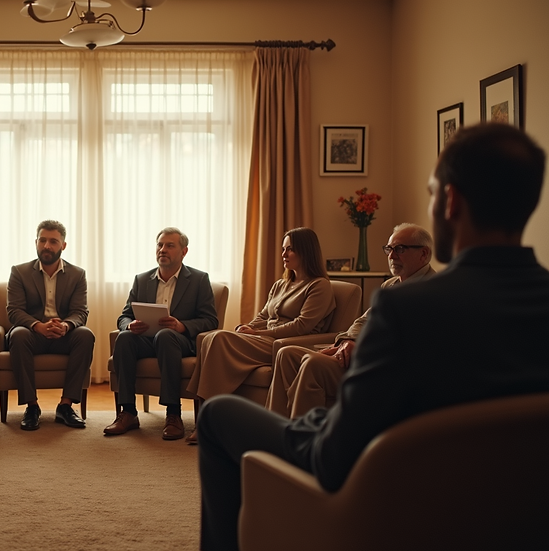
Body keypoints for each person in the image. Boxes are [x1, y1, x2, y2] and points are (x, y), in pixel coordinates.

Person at [197, 122, 549, 550]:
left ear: (451, 200)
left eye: (432, 192)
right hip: (512, 501)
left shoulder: (406, 307)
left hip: (399, 486)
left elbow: (337, 453)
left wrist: (315, 422)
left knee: (217, 415)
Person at [266, 223, 435, 418]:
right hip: (361, 353)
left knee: (313, 364)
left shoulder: (432, 291)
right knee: (287, 354)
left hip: (379, 368)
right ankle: (276, 427)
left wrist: (359, 347)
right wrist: (348, 341)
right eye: (389, 249)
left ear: (423, 254)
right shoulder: (391, 284)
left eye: (400, 249)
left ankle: (301, 441)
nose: (391, 256)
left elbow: (408, 344)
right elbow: (362, 321)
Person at [185, 227, 335, 442]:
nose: (284, 254)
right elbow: (263, 315)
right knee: (210, 337)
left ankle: (210, 423)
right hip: (264, 337)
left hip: (285, 343)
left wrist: (258, 332)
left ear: (306, 251)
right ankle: (207, 417)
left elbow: (302, 325)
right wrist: (246, 327)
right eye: (283, 249)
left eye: (290, 249)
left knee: (218, 338)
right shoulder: (281, 284)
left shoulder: (319, 286)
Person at [105, 227, 218, 440]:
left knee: (165, 336)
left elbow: (211, 320)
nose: (162, 249)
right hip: (147, 340)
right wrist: (129, 325)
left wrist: (182, 326)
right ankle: (128, 412)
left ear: (184, 251)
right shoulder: (142, 279)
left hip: (181, 342)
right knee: (125, 337)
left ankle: (173, 414)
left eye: (169, 245)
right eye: (160, 245)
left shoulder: (198, 280)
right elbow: (124, 316)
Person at [6, 220, 95, 430]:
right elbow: (14, 310)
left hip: (63, 334)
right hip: (32, 334)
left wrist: (65, 326)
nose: (47, 246)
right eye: (43, 240)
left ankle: (65, 406)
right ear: (36, 242)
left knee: (85, 335)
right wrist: (37, 325)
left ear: (63, 245)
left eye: (53, 241)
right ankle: (32, 407)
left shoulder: (77, 274)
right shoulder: (19, 272)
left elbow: (80, 311)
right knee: (17, 335)